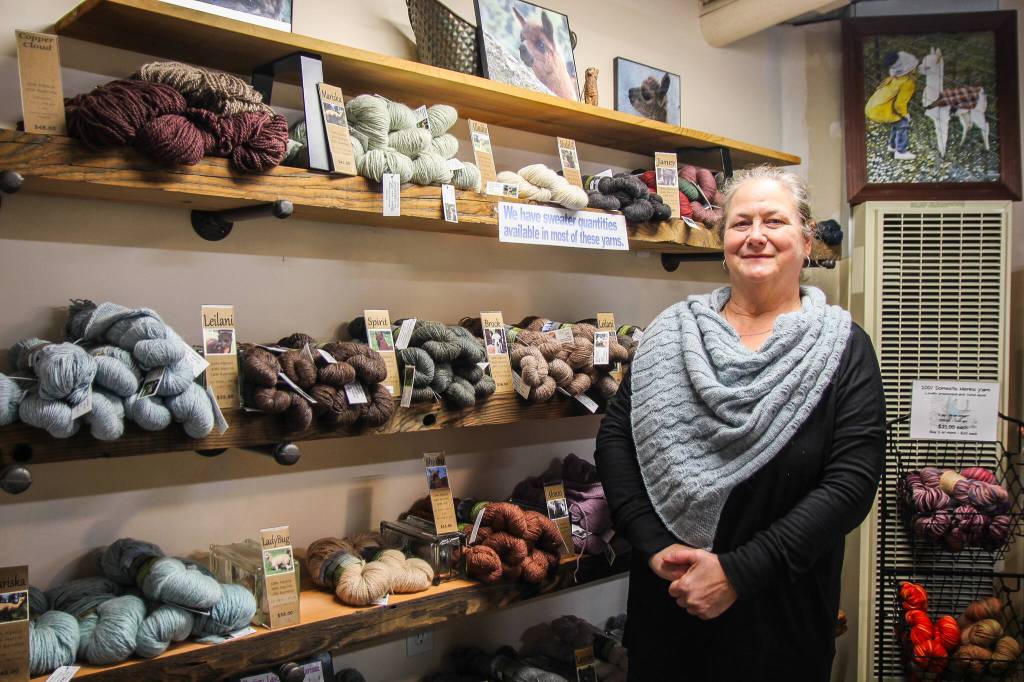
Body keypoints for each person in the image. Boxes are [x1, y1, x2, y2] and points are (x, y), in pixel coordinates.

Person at [595, 166, 885, 680]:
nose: (756, 237)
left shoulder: (845, 348)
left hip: (781, 621)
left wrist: (737, 573)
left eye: (774, 221)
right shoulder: (671, 335)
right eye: (740, 223)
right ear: (722, 238)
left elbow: (852, 483)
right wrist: (653, 543)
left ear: (806, 235)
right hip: (670, 609)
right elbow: (617, 440)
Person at [865, 50, 919, 160]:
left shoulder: (895, 78)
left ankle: (892, 145)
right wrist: (905, 115)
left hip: (873, 107)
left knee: (896, 121)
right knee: (903, 123)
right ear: (910, 68)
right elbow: (900, 104)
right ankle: (901, 151)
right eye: (914, 66)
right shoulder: (908, 83)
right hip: (880, 109)